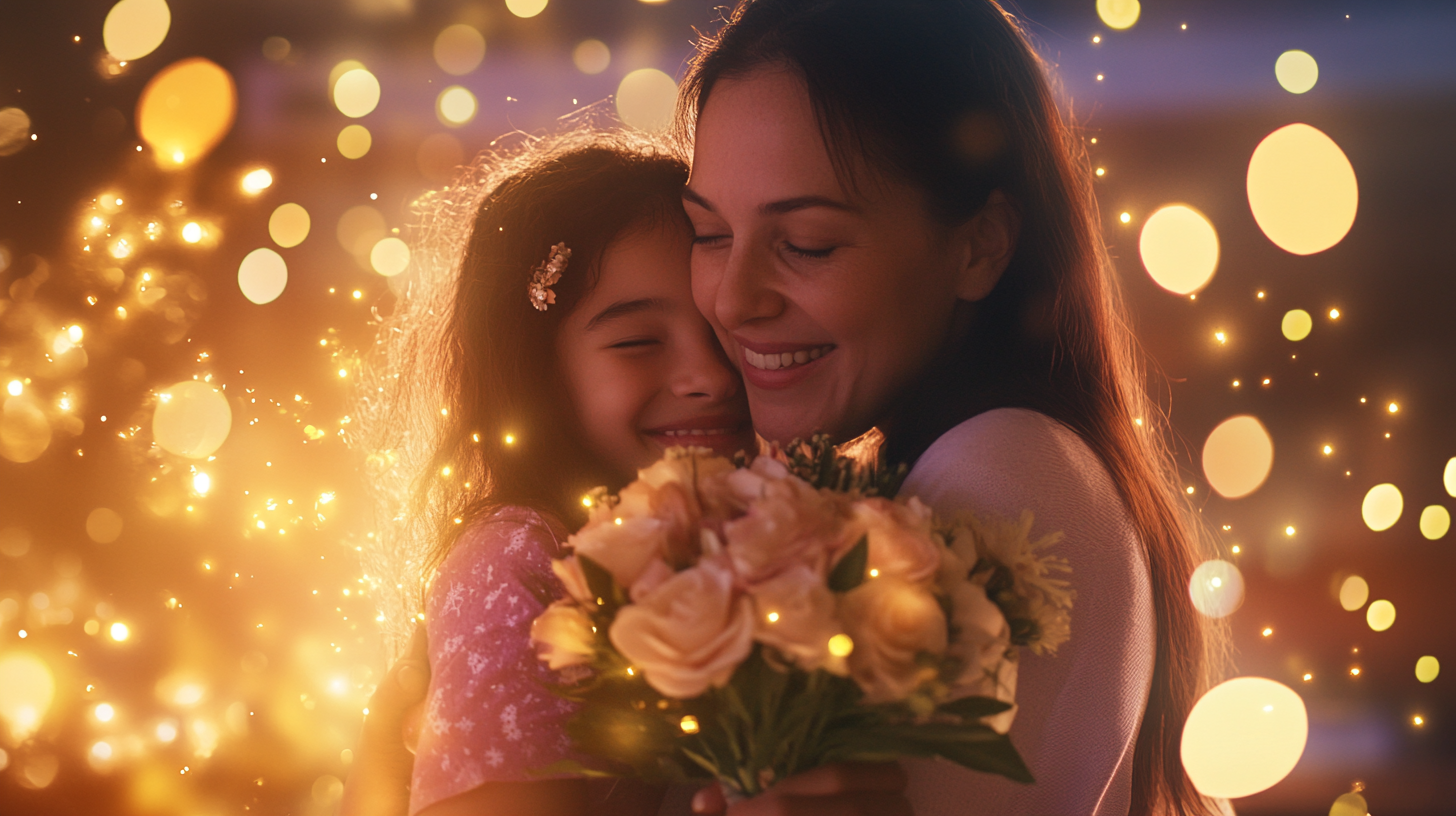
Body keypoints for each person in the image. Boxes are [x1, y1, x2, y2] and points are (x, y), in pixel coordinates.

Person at [676, 1, 1223, 815]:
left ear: (979, 245)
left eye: (809, 244)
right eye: (710, 233)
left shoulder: (996, 473)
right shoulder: (1005, 455)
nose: (732, 298)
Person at [340, 130, 756, 816]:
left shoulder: (751, 538)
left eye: (722, 330)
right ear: (538, 374)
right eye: (637, 343)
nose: (709, 377)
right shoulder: (525, 556)